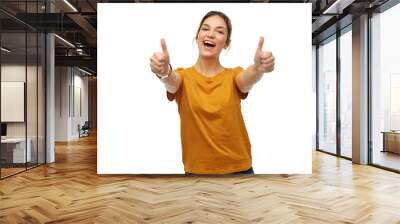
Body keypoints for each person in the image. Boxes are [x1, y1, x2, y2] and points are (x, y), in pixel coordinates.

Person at [149, 11, 275, 175]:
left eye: (220, 31)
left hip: (239, 169)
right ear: (197, 36)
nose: (211, 34)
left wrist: (259, 69)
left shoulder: (233, 76)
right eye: (205, 29)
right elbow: (171, 81)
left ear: (226, 43)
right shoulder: (183, 77)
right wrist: (164, 71)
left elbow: (246, 80)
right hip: (197, 171)